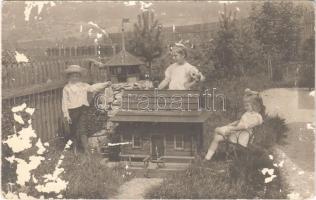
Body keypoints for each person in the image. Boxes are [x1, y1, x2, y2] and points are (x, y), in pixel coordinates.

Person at [62, 65, 111, 155]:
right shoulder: (66, 88)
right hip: (72, 111)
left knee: (82, 129)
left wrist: (105, 84)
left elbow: (93, 88)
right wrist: (66, 115)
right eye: (73, 75)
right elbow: (64, 103)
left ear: (80, 76)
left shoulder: (83, 86)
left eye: (77, 75)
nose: (75, 77)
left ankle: (86, 150)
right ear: (69, 76)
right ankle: (75, 148)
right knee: (74, 130)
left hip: (82, 109)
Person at [204, 89, 264, 161]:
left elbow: (244, 126)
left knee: (217, 130)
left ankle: (212, 153)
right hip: (239, 133)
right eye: (245, 106)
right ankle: (208, 157)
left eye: (247, 106)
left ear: (255, 105)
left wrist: (231, 128)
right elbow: (241, 121)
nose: (245, 108)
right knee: (217, 136)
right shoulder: (250, 113)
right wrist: (233, 124)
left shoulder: (255, 117)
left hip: (241, 137)